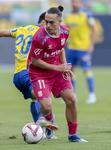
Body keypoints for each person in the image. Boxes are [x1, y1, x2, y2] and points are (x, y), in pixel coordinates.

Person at [0, 12, 57, 139]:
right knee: (43, 97)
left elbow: (0, 33)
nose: (51, 26)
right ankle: (45, 121)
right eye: (50, 23)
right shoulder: (42, 33)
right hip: (29, 72)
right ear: (43, 22)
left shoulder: (21, 29)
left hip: (17, 76)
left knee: (35, 98)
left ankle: (40, 131)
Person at [27, 5, 87, 142]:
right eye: (46, 21)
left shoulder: (65, 31)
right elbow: (35, 61)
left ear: (60, 22)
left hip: (57, 71)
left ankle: (73, 135)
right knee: (47, 107)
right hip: (39, 74)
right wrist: (58, 68)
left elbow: (60, 48)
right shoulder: (39, 37)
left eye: (51, 22)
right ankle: (49, 120)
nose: (47, 25)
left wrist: (65, 68)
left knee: (71, 99)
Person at [65, 0, 97, 104]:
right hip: (72, 48)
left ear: (80, 3)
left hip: (83, 48)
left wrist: (91, 45)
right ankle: (73, 95)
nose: (75, 4)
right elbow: (65, 31)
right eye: (73, 2)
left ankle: (92, 95)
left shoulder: (86, 15)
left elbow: (94, 30)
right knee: (71, 72)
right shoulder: (68, 16)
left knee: (86, 70)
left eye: (77, 2)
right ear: (71, 3)